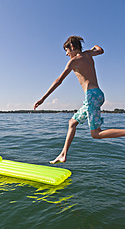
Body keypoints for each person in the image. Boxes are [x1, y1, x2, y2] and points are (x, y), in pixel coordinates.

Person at [34, 36, 125, 164]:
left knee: (96, 134)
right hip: (97, 94)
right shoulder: (88, 55)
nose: (66, 54)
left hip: (91, 96)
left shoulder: (74, 61)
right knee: (72, 123)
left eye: (67, 51)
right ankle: (63, 155)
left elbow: (58, 81)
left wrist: (43, 98)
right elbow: (100, 50)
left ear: (72, 47)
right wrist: (90, 49)